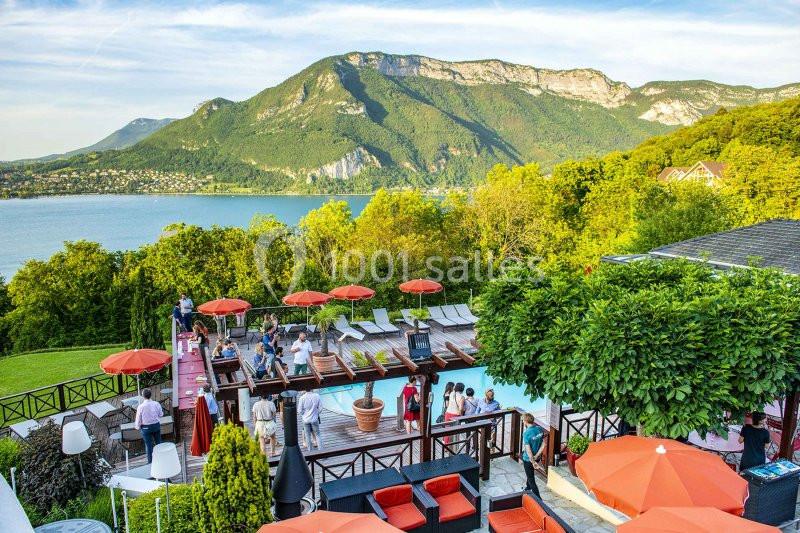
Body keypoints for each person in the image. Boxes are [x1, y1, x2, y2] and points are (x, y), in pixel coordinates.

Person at [134, 389, 164, 464]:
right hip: (156, 426)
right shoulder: (156, 404)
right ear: (151, 395)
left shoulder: (140, 407)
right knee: (159, 443)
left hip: (146, 428)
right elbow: (161, 414)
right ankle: (162, 459)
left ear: (143, 396)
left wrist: (137, 427)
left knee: (148, 445)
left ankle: (150, 462)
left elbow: (138, 419)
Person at [520, 413, 545, 497]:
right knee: (529, 473)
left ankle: (539, 499)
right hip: (537, 457)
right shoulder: (539, 429)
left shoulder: (526, 433)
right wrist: (537, 456)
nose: (523, 422)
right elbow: (543, 444)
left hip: (528, 459)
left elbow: (528, 450)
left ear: (526, 421)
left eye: (523, 420)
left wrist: (532, 460)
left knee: (531, 479)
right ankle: (527, 487)